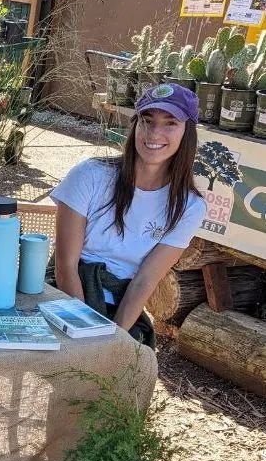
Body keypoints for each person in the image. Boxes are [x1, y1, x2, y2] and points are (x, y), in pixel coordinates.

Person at [51, 82, 207, 347]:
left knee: (125, 364)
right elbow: (65, 266)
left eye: (170, 123)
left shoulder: (189, 206)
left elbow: (145, 280)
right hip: (65, 291)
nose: (154, 133)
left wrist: (113, 340)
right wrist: (83, 331)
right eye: (147, 121)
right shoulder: (90, 175)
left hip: (122, 302)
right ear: (135, 125)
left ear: (187, 133)